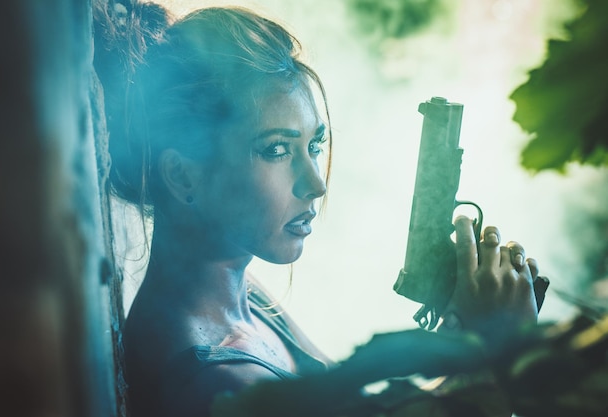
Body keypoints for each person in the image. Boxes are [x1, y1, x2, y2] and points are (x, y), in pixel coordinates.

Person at [94, 3, 541, 417]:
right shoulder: (214, 380)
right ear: (183, 176)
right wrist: (496, 355)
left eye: (314, 145)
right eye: (275, 149)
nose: (316, 183)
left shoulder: (243, 297)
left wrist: (465, 329)